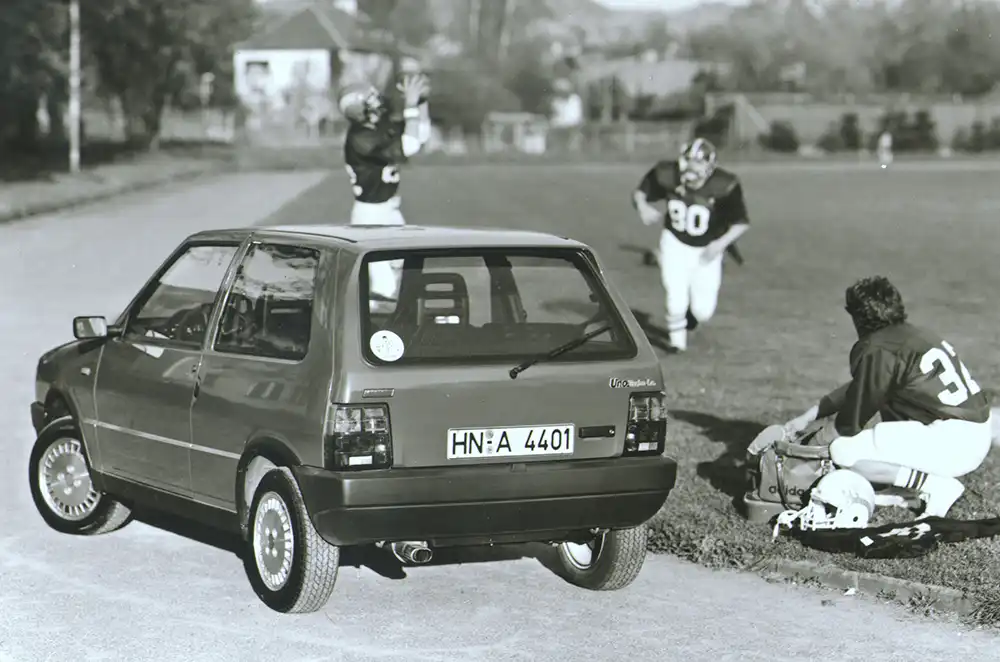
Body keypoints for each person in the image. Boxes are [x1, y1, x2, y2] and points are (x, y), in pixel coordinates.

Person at [770, 275, 993, 519]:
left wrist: (805, 448)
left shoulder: (880, 348)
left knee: (844, 451)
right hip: (967, 433)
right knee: (885, 419)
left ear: (857, 315)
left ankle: (935, 486)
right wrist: (806, 417)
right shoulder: (908, 335)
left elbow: (848, 424)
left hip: (953, 440)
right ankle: (907, 488)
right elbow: (861, 386)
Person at [630, 138, 750, 352]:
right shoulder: (667, 174)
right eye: (689, 166)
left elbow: (741, 223)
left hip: (708, 248)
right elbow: (640, 192)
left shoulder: (725, 185)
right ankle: (677, 346)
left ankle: (688, 318)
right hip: (674, 242)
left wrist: (720, 244)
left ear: (710, 168)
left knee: (703, 311)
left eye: (698, 167)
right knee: (675, 296)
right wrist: (642, 206)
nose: (692, 174)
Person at [338, 72, 430, 301]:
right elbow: (408, 146)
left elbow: (420, 136)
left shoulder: (376, 128)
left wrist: (421, 102)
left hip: (387, 210)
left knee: (405, 265)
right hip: (371, 216)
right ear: (359, 109)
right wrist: (410, 105)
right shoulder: (360, 139)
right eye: (371, 99)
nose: (378, 101)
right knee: (383, 288)